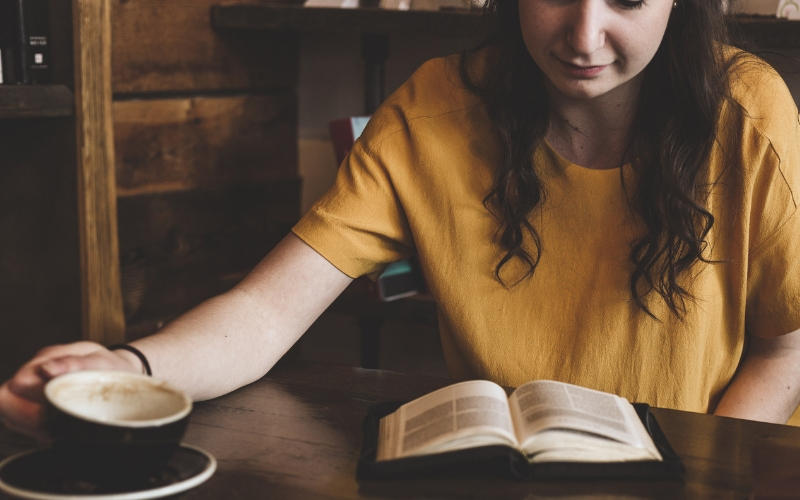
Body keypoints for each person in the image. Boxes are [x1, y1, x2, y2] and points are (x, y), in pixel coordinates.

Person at [3, 0, 800, 440]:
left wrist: (701, 479)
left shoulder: (749, 111)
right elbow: (265, 310)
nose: (584, 36)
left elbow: (787, 352)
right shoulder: (435, 106)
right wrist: (129, 370)